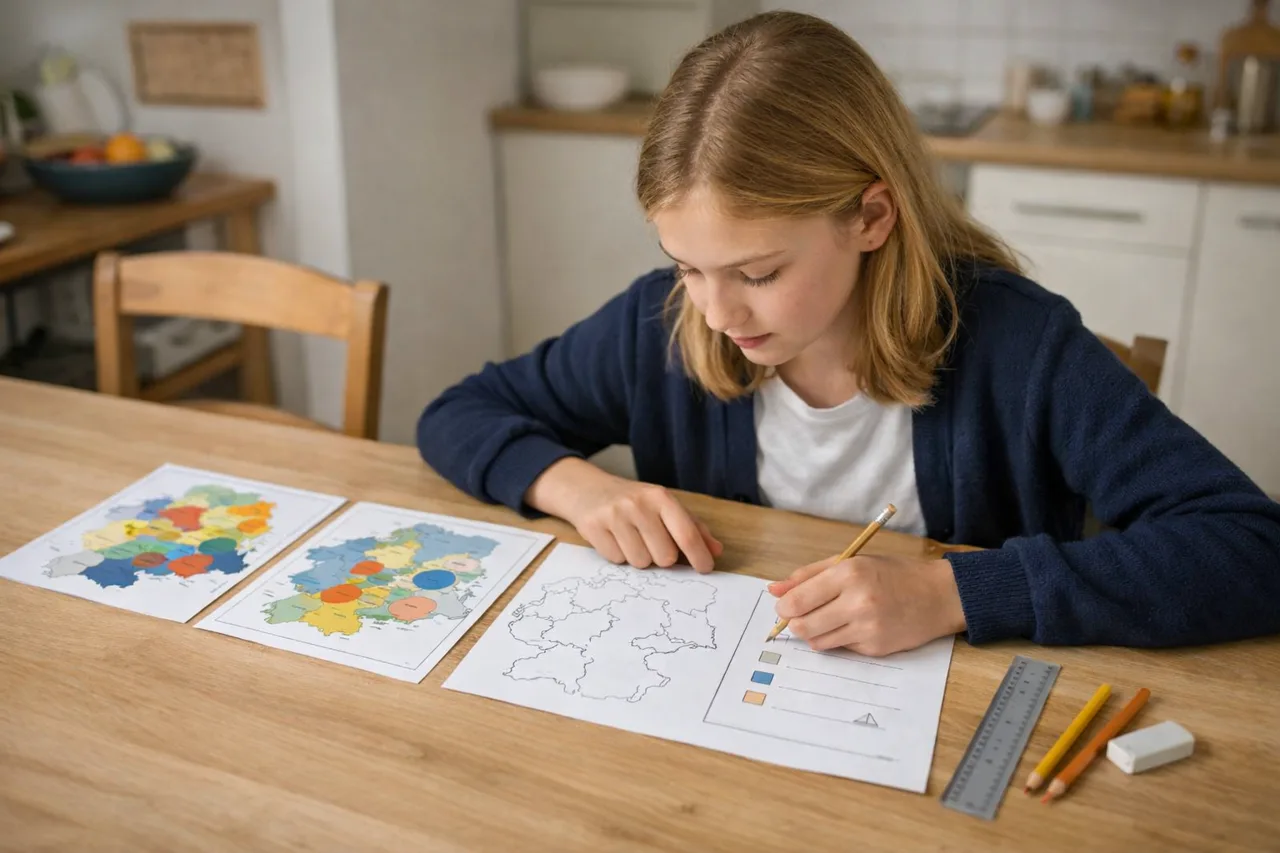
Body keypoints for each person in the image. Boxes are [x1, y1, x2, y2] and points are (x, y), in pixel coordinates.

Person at [417, 11, 1280, 656]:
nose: (717, 313)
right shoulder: (663, 324)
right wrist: (577, 487)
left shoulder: (1020, 348)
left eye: (757, 275)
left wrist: (954, 592)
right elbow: (460, 411)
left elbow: (1250, 546)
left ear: (871, 217)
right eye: (686, 264)